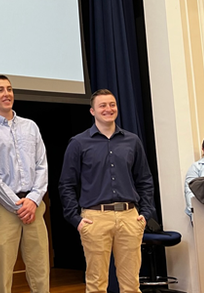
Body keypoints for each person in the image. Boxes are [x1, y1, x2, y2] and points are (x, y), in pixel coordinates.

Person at [59, 89, 155, 293]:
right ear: (92, 111)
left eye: (112, 105)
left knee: (131, 285)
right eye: (102, 105)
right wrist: (75, 219)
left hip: (130, 217)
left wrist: (145, 214)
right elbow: (66, 184)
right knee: (96, 285)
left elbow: (145, 180)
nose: (108, 109)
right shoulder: (78, 143)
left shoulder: (132, 141)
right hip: (95, 218)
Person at [0, 75, 50, 293]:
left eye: (9, 89)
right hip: (4, 207)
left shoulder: (30, 126)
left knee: (40, 268)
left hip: (34, 206)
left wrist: (33, 200)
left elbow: (42, 166)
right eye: (0, 90)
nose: (6, 94)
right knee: (2, 269)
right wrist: (18, 204)